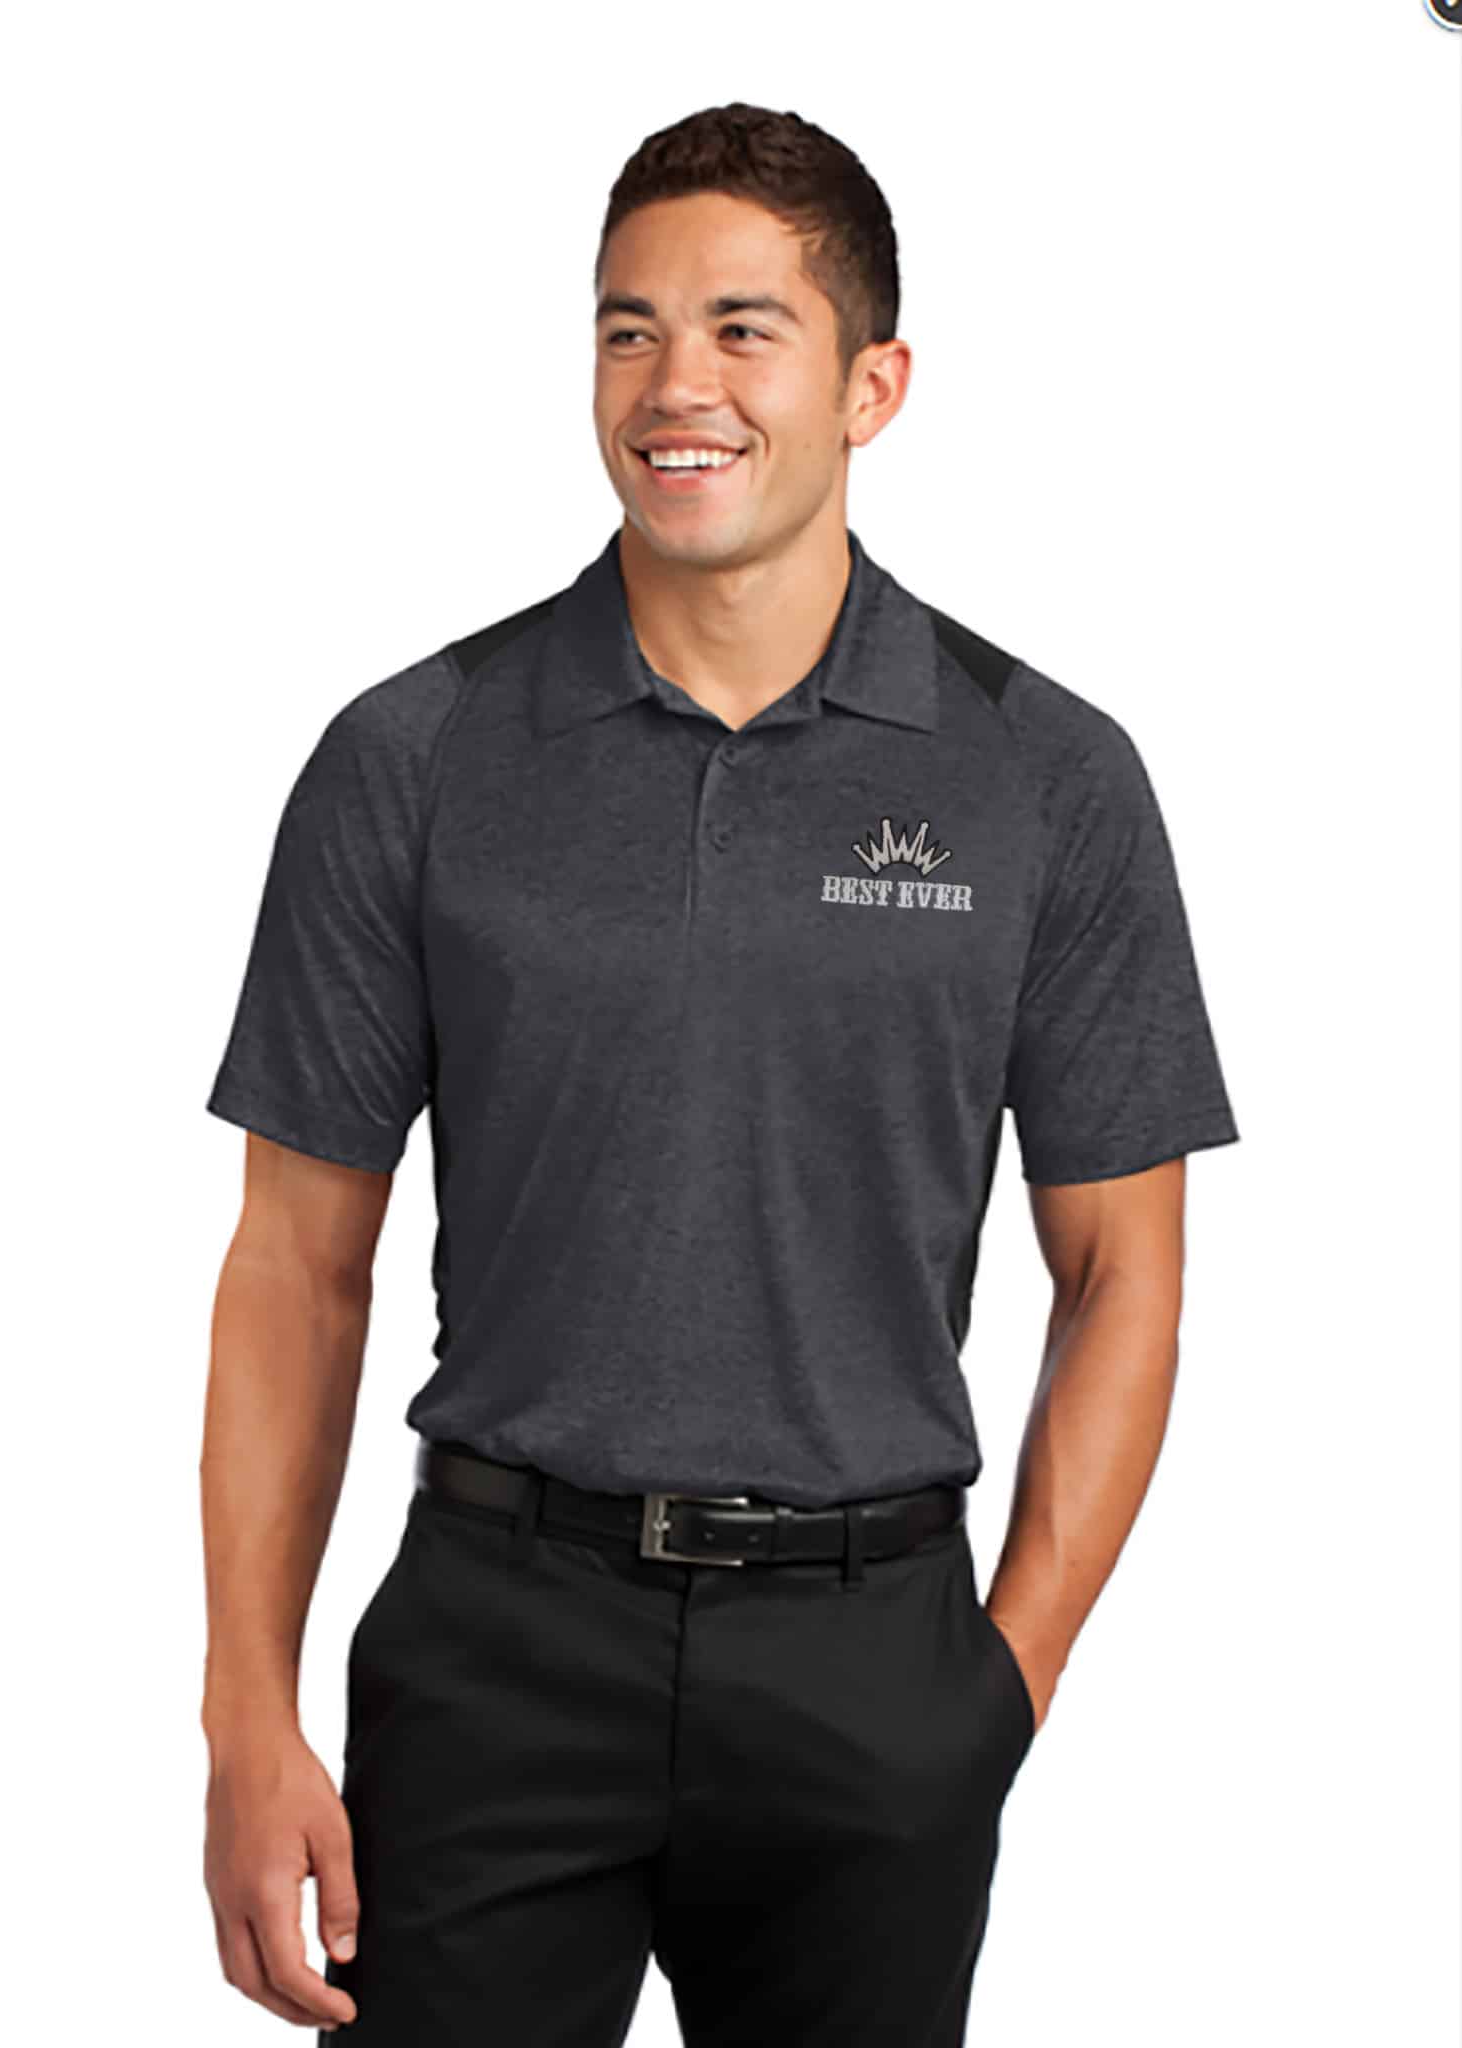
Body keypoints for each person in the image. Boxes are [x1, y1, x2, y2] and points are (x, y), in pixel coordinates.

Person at [199, 100, 1240, 2045]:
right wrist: (245, 1715)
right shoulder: (413, 757)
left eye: (744, 329)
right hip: (495, 1643)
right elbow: (291, 1266)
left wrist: (997, 1687)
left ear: (872, 385)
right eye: (630, 329)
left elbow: (1126, 1273)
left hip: (873, 1652)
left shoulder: (1045, 778)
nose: (675, 385)